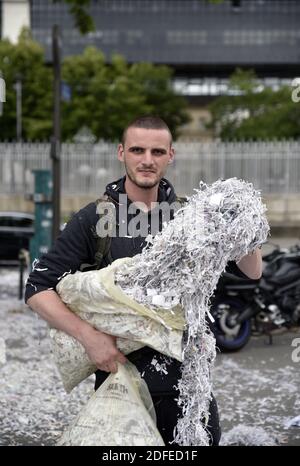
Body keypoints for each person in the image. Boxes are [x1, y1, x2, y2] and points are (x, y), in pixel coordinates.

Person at [25, 115, 262, 446]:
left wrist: (242, 224)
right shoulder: (94, 218)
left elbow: (253, 272)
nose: (147, 160)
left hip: (190, 390)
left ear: (170, 155)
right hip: (124, 385)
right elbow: (37, 287)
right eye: (138, 150)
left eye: (157, 151)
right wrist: (90, 339)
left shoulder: (191, 217)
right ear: (122, 153)